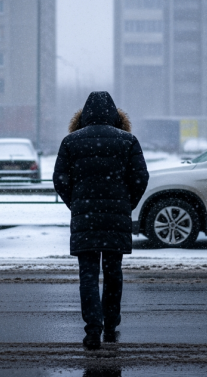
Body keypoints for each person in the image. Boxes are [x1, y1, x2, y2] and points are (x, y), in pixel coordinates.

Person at [53, 91, 149, 350]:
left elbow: (59, 179)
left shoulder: (71, 142)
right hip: (116, 217)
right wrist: (127, 204)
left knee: (88, 273)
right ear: (116, 115)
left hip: (85, 217)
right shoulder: (127, 141)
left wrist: (76, 203)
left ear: (82, 116)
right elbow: (140, 178)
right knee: (113, 271)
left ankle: (92, 328)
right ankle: (110, 322)